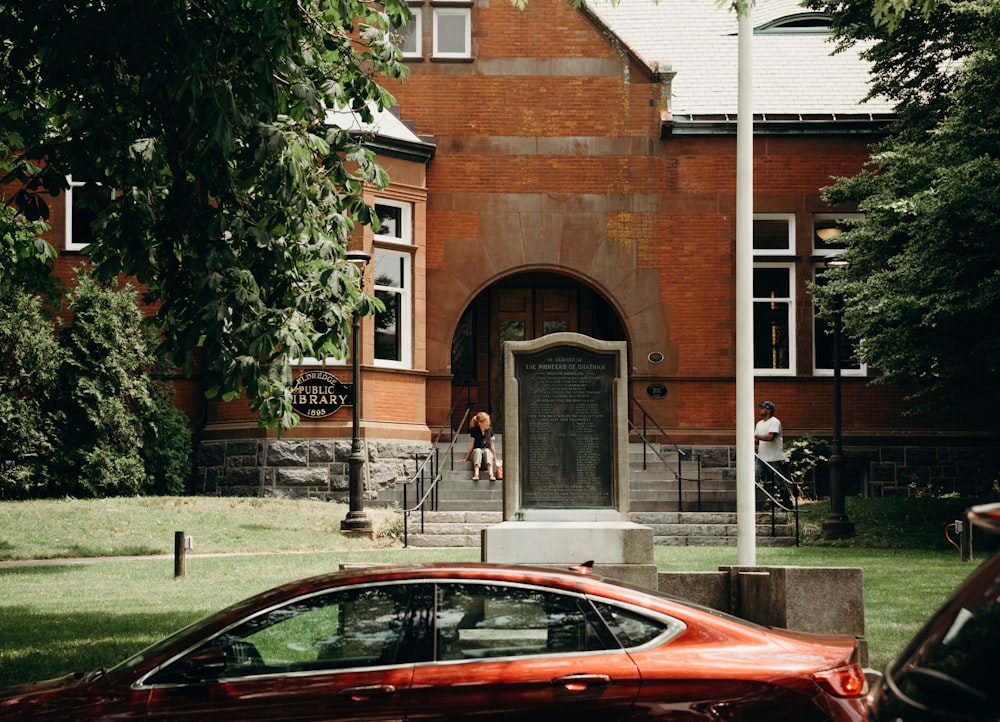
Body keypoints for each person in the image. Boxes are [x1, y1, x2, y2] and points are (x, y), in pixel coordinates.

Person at [754, 401, 791, 507]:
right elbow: (757, 440)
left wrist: (756, 437)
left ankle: (787, 504)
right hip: (761, 457)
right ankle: (754, 504)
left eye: (763, 408)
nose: (760, 410)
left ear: (768, 410)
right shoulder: (759, 423)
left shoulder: (775, 422)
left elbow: (770, 437)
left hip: (774, 457)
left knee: (779, 482)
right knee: (754, 477)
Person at [462, 411, 497, 481]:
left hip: (486, 450)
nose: (488, 423)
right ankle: (476, 474)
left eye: (488, 422)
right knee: (477, 450)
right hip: (477, 450)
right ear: (480, 423)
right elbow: (471, 445)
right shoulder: (474, 431)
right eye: (486, 422)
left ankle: (491, 474)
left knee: (487, 451)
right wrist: (466, 458)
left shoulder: (490, 430)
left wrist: (495, 458)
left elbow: (492, 446)